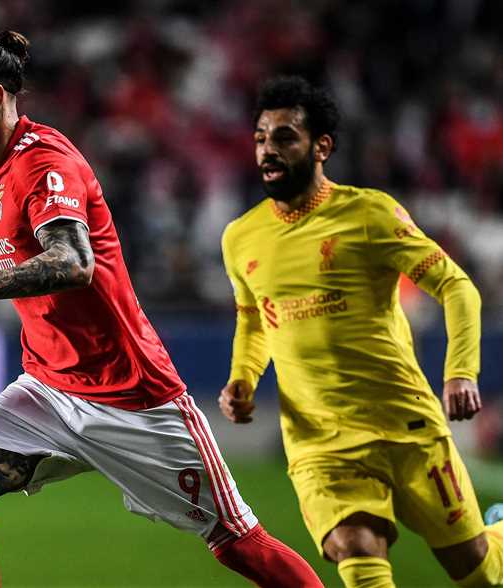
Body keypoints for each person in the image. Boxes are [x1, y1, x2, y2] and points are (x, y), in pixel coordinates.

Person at [0, 31, 322, 588]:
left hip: (132, 396)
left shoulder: (44, 163)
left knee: (239, 544)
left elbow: (74, 263)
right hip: (49, 389)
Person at [219, 75, 503, 587]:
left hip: (404, 425)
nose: (267, 150)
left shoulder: (369, 214)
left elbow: (457, 287)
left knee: (476, 570)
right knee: (354, 544)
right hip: (318, 440)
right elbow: (254, 317)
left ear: (322, 147)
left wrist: (461, 371)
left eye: (285, 137)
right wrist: (243, 376)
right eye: (261, 138)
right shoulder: (241, 236)